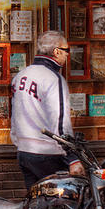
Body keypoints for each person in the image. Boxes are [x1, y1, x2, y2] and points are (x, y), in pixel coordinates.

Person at [10, 30, 85, 188]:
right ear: (56, 52)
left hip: (24, 152)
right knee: (63, 205)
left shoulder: (20, 76)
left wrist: (19, 143)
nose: (67, 55)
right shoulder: (53, 79)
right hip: (49, 154)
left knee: (36, 204)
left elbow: (14, 115)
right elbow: (60, 122)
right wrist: (72, 158)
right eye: (66, 51)